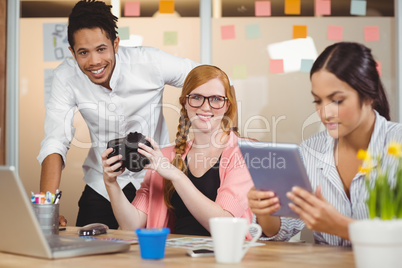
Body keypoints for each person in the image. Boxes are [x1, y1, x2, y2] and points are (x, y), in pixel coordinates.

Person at [37, 0, 200, 229]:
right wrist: (47, 208)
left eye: (101, 49)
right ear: (72, 52)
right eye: (83, 52)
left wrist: (229, 138)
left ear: (115, 44)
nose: (94, 61)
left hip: (155, 181)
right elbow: (55, 141)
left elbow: (212, 80)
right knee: (87, 258)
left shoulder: (150, 62)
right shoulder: (65, 77)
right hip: (102, 186)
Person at [247, 42, 402, 246]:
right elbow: (282, 230)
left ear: (368, 96)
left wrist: (340, 226)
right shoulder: (310, 151)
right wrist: (265, 210)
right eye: (318, 101)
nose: (325, 113)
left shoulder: (397, 144)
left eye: (337, 100)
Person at [102, 65, 253, 236]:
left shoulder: (243, 153)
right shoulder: (165, 156)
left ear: (227, 106)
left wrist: (175, 175)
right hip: (175, 257)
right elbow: (132, 226)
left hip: (226, 258)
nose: (205, 107)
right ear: (185, 103)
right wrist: (111, 183)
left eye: (216, 99)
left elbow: (225, 226)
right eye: (196, 97)